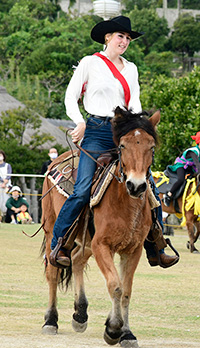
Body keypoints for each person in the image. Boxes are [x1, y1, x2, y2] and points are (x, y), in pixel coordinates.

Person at [50, 15, 178, 268]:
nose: (125, 41)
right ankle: (60, 244)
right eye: (120, 36)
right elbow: (70, 97)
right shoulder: (90, 63)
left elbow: (136, 105)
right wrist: (80, 122)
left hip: (125, 131)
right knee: (83, 188)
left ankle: (157, 245)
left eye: (128, 38)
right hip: (96, 129)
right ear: (107, 37)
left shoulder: (131, 68)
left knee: (148, 184)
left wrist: (140, 128)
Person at [164, 131, 200, 207]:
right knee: (181, 179)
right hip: (180, 165)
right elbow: (197, 164)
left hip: (189, 167)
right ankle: (169, 194)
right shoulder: (194, 151)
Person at [0, 150, 12, 218]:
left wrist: (5, 181)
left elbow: (9, 174)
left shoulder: (8, 165)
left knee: (6, 199)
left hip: (7, 185)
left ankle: (6, 216)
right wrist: (2, 180)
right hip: (0, 184)